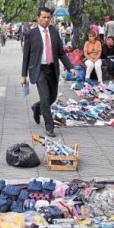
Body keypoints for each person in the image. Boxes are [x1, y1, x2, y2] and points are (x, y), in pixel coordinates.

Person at [20, 7, 76, 138]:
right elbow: (26, 57)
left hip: (52, 69)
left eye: (48, 18)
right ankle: (49, 127)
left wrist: (70, 67)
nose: (46, 20)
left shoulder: (54, 32)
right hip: (39, 70)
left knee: (52, 97)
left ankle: (37, 108)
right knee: (45, 97)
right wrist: (23, 75)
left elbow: (61, 53)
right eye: (43, 17)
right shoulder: (30, 34)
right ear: (38, 18)